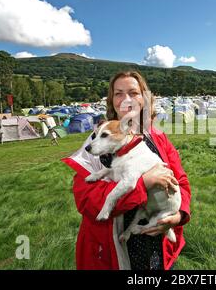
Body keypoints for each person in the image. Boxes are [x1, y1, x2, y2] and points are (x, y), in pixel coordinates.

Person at [62, 71, 191, 270]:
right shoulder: (95, 144)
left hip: (157, 248)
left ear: (145, 98)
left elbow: (181, 182)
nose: (126, 99)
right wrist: (143, 183)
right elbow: (86, 201)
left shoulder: (157, 138)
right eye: (118, 93)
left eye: (133, 92)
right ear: (111, 100)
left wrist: (178, 216)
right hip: (110, 252)